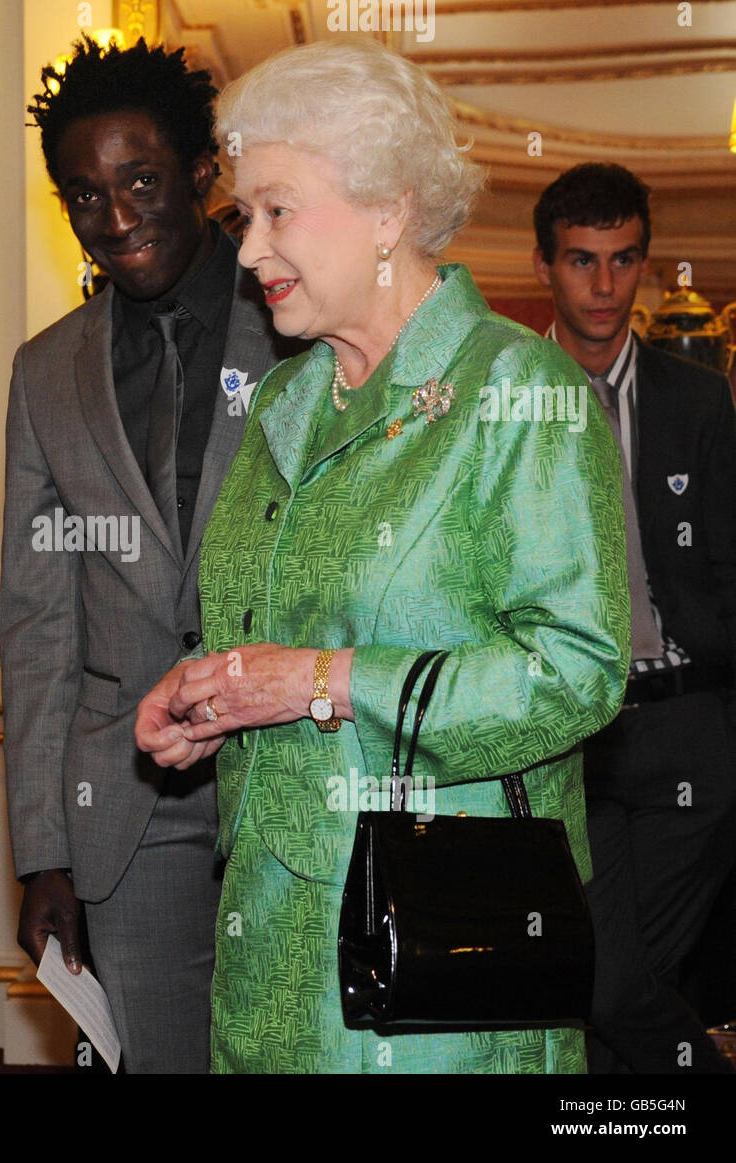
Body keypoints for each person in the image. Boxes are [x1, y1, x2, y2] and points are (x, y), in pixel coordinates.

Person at [135, 38, 629, 1074]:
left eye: (277, 210)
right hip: (269, 946)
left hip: (439, 959)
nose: (249, 249)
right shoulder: (284, 399)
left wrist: (323, 680)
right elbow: (280, 636)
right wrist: (208, 691)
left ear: (388, 210)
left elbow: (576, 674)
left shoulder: (515, 392)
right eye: (243, 217)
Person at [0, 38, 298, 1073]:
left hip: (291, 773)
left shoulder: (296, 322)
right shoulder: (44, 371)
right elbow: (38, 618)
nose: (115, 221)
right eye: (84, 195)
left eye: (139, 183)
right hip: (124, 808)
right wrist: (43, 851)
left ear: (201, 175)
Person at [534, 162, 736, 1074]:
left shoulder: (698, 398)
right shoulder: (498, 398)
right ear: (547, 266)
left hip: (685, 724)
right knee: (608, 985)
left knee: (626, 984)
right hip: (562, 731)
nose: (605, 285)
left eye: (624, 261)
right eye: (582, 261)